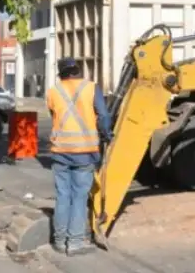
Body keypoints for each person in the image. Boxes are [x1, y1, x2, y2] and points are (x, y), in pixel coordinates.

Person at [45, 57, 112, 256]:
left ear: (61, 73)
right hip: (84, 152)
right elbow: (104, 116)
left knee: (63, 196)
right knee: (79, 197)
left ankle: (59, 240)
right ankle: (74, 243)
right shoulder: (91, 88)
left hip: (60, 152)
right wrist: (106, 134)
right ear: (78, 71)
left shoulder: (53, 91)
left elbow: (54, 115)